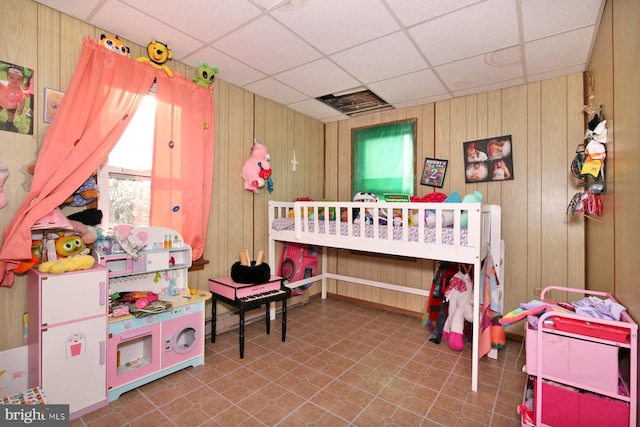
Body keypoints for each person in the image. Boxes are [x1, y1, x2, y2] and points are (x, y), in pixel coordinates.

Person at [0, 65, 27, 132]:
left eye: (18, 79)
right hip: (0, 102)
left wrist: (21, 108)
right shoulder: (3, 84)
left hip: (12, 106)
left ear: (22, 81)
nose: (15, 80)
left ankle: (9, 122)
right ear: (7, 77)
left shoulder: (21, 91)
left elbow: (22, 100)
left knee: (11, 115)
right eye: (11, 77)